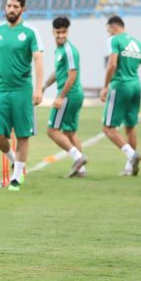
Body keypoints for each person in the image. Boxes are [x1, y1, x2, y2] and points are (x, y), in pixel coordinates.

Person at [0, 0, 44, 192]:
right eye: (9, 5)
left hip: (22, 91)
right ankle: (13, 159)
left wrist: (39, 88)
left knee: (23, 134)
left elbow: (38, 60)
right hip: (1, 91)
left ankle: (17, 176)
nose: (11, 9)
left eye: (16, 6)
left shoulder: (30, 32)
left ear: (23, 9)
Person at [100, 16, 141, 176]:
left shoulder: (115, 40)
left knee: (108, 128)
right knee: (130, 126)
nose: (108, 34)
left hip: (120, 86)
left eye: (108, 31)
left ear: (113, 27)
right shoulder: (138, 44)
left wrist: (105, 86)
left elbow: (112, 64)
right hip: (136, 86)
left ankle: (132, 155)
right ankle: (129, 167)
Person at [43, 16, 87, 177]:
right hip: (75, 94)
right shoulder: (60, 50)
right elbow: (59, 72)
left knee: (52, 130)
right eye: (58, 32)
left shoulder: (68, 50)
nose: (61, 35)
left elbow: (72, 75)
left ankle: (78, 157)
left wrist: (60, 97)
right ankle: (81, 170)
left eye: (64, 32)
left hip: (69, 94)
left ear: (68, 32)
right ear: (53, 32)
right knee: (69, 132)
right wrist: (45, 86)